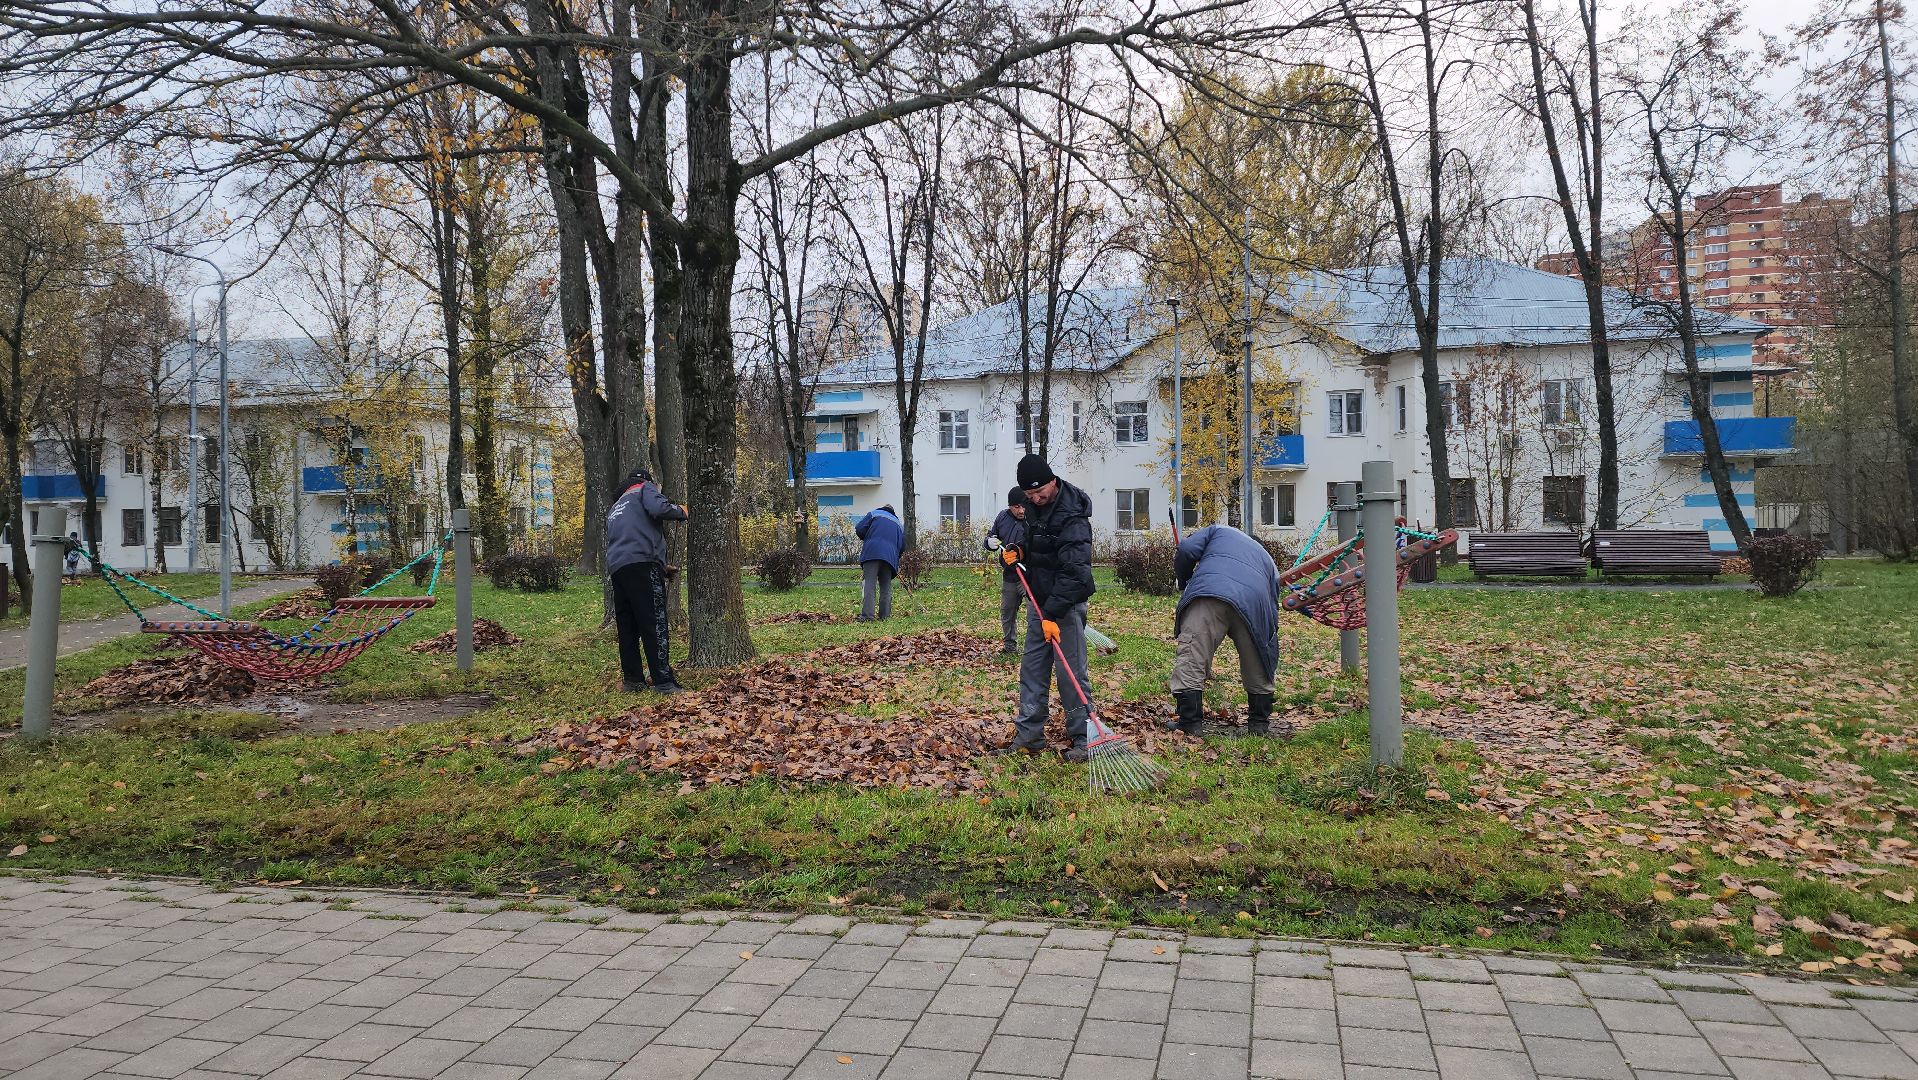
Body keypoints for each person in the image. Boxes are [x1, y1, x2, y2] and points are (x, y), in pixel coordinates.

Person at [998, 453, 1095, 762]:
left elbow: (1075, 571)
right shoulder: (1033, 510)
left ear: (1053, 482)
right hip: (1039, 604)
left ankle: (1085, 738)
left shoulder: (1072, 515)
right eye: (1029, 496)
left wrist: (1052, 613)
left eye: (1039, 493)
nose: (1035, 500)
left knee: (1071, 676)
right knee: (1032, 671)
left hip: (1064, 606)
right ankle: (1029, 737)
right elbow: (1033, 546)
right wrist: (1017, 552)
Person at [1170, 524, 1281, 737]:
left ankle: (1190, 723)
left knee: (1193, 654)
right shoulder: (1269, 561)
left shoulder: (1218, 531)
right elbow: (1272, 603)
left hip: (1210, 591)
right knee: (1257, 661)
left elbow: (1186, 549)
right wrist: (1267, 639)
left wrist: (1184, 580)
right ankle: (1258, 725)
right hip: (1255, 601)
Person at [605, 468, 687, 694]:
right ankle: (663, 681)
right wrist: (681, 510)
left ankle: (633, 680)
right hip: (643, 563)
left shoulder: (616, 507)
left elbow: (631, 536)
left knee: (628, 626)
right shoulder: (643, 489)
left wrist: (660, 567)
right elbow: (659, 508)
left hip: (619, 568)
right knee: (654, 621)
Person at [982, 486, 1027, 655]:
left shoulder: (1032, 519)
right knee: (1007, 612)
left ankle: (1034, 648)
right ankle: (1010, 647)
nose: (1021, 510)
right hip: (1009, 575)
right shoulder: (1002, 517)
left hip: (1028, 576)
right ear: (1010, 506)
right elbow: (991, 536)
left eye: (1023, 506)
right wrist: (989, 542)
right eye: (1016, 507)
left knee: (1034, 613)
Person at [854, 504, 904, 622]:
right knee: (886, 586)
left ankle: (867, 617)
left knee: (869, 584)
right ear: (893, 512)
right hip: (890, 558)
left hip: (872, 553)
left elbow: (859, 529)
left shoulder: (874, 514)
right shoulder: (899, 524)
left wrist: (868, 537)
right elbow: (902, 546)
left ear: (883, 508)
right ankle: (885, 616)